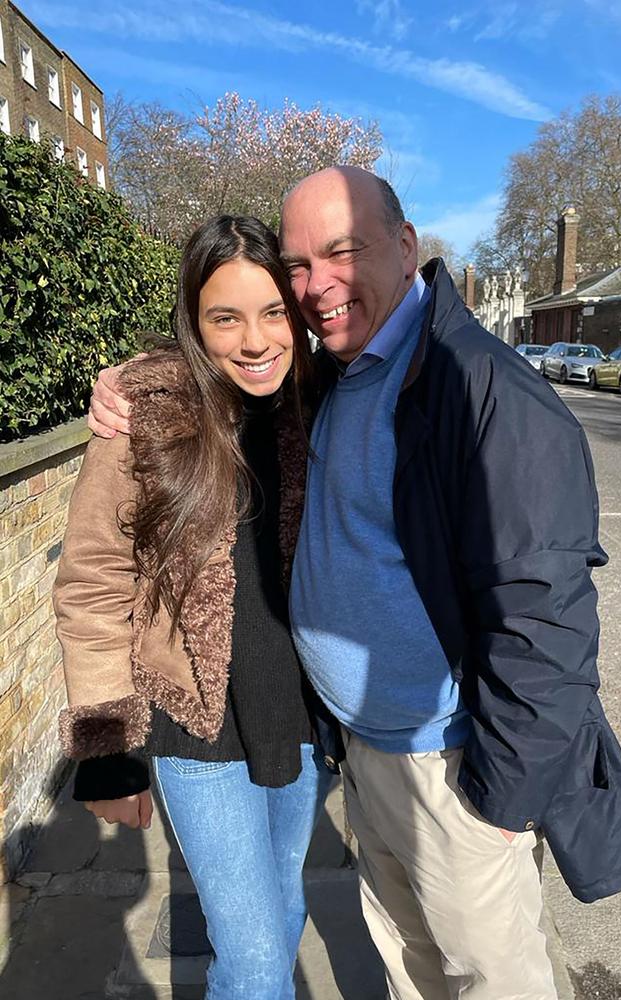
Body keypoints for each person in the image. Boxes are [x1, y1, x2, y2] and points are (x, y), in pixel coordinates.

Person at [90, 169, 621, 1000]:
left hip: (448, 765)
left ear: (407, 245)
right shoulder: (330, 379)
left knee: (485, 977)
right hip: (330, 748)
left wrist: (504, 799)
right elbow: (96, 578)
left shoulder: (471, 384)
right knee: (396, 963)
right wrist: (130, 379)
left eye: (341, 252)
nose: (316, 289)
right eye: (302, 267)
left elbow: (545, 615)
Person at [54, 214, 339, 1000]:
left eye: (273, 311)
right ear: (194, 320)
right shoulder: (146, 417)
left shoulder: (324, 404)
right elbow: (92, 583)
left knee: (282, 918)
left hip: (302, 724)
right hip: (197, 731)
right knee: (251, 967)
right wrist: (107, 750)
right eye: (226, 316)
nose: (255, 340)